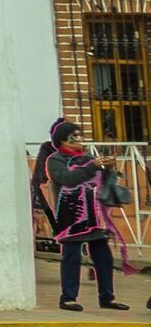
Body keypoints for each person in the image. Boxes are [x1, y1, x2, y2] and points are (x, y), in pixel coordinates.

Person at [35, 115, 128, 313]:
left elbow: (102, 182)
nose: (79, 140)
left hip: (93, 217)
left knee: (103, 257)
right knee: (72, 258)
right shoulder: (55, 160)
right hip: (70, 218)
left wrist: (109, 169)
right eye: (74, 136)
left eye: (79, 136)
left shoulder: (86, 158)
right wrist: (93, 166)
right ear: (63, 140)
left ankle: (107, 297)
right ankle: (68, 298)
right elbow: (68, 179)